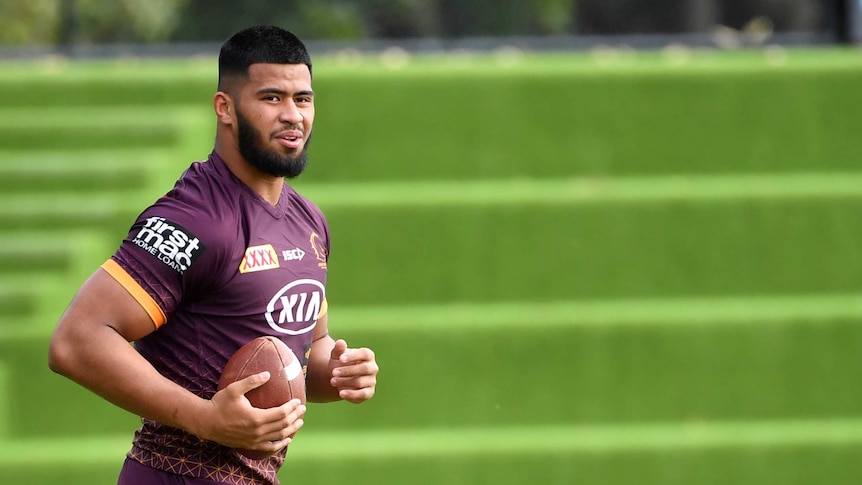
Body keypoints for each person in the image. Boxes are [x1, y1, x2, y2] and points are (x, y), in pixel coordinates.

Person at [48, 25, 379, 485]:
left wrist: (338, 372)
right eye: (271, 98)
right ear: (225, 107)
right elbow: (75, 340)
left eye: (303, 99)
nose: (292, 115)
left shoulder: (310, 223)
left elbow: (308, 351)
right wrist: (204, 417)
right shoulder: (193, 218)